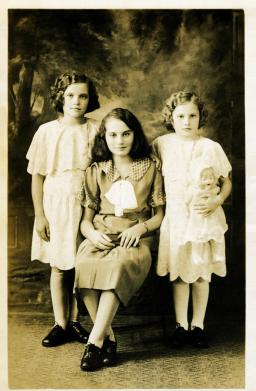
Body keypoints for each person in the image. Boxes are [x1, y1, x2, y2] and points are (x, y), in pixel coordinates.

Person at [75, 108, 165, 371]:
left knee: (117, 265)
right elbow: (86, 218)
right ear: (104, 138)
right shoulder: (96, 170)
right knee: (83, 263)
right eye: (113, 135)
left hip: (137, 237)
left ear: (135, 135)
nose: (120, 140)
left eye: (126, 133)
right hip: (102, 232)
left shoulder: (150, 167)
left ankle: (93, 342)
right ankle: (108, 338)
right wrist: (91, 233)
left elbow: (160, 214)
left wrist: (140, 229)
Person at [152, 90, 232, 348]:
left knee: (200, 272)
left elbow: (226, 182)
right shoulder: (161, 145)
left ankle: (198, 324)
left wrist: (217, 200)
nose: (187, 121)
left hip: (201, 219)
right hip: (176, 218)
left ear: (200, 117)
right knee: (178, 272)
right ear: (171, 118)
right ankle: (180, 325)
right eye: (180, 116)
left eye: (192, 115)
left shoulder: (211, 147)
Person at [26, 71, 100, 347]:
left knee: (80, 265)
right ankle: (60, 322)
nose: (76, 101)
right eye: (70, 95)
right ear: (60, 97)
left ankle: (77, 321)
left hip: (87, 205)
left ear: (90, 99)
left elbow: (104, 170)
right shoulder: (47, 132)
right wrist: (40, 215)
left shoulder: (95, 129)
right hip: (56, 204)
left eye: (83, 96)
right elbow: (37, 176)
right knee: (60, 266)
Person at [183, 160, 228, 265]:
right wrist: (187, 209)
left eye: (211, 178)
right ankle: (196, 254)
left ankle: (217, 254)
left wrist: (216, 199)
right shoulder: (194, 190)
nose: (209, 181)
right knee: (197, 235)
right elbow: (187, 199)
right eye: (204, 178)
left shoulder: (215, 189)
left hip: (213, 216)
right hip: (198, 216)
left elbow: (218, 195)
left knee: (216, 234)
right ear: (197, 179)